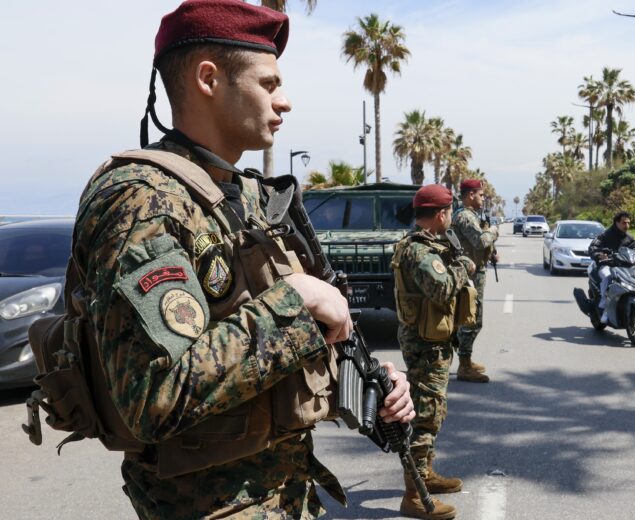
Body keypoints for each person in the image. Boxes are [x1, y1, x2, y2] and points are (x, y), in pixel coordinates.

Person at [69, 1, 414, 517]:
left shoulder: (249, 196)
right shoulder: (140, 200)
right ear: (209, 78)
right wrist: (294, 301)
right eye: (268, 84)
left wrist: (374, 388)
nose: (285, 102)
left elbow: (282, 353)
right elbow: (155, 397)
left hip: (287, 493)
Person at [392, 184, 477, 519]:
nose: (452, 216)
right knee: (426, 416)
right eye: (450, 211)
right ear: (441, 214)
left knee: (434, 409)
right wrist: (464, 267)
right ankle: (415, 495)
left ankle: (426, 474)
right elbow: (440, 289)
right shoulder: (419, 251)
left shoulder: (426, 245)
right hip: (425, 346)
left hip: (431, 341)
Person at [450, 179, 499, 383]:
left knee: (470, 319)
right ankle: (464, 366)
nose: (483, 198)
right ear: (471, 195)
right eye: (480, 195)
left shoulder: (471, 216)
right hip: (469, 274)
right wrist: (493, 233)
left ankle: (466, 361)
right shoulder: (465, 217)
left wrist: (491, 253)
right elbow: (479, 241)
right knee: (471, 320)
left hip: (474, 271)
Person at [588, 211, 635, 323]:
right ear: (616, 222)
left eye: (628, 223)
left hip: (624, 267)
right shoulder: (605, 235)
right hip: (607, 265)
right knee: (607, 277)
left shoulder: (629, 237)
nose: (626, 226)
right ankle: (604, 306)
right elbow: (593, 247)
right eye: (624, 223)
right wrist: (599, 255)